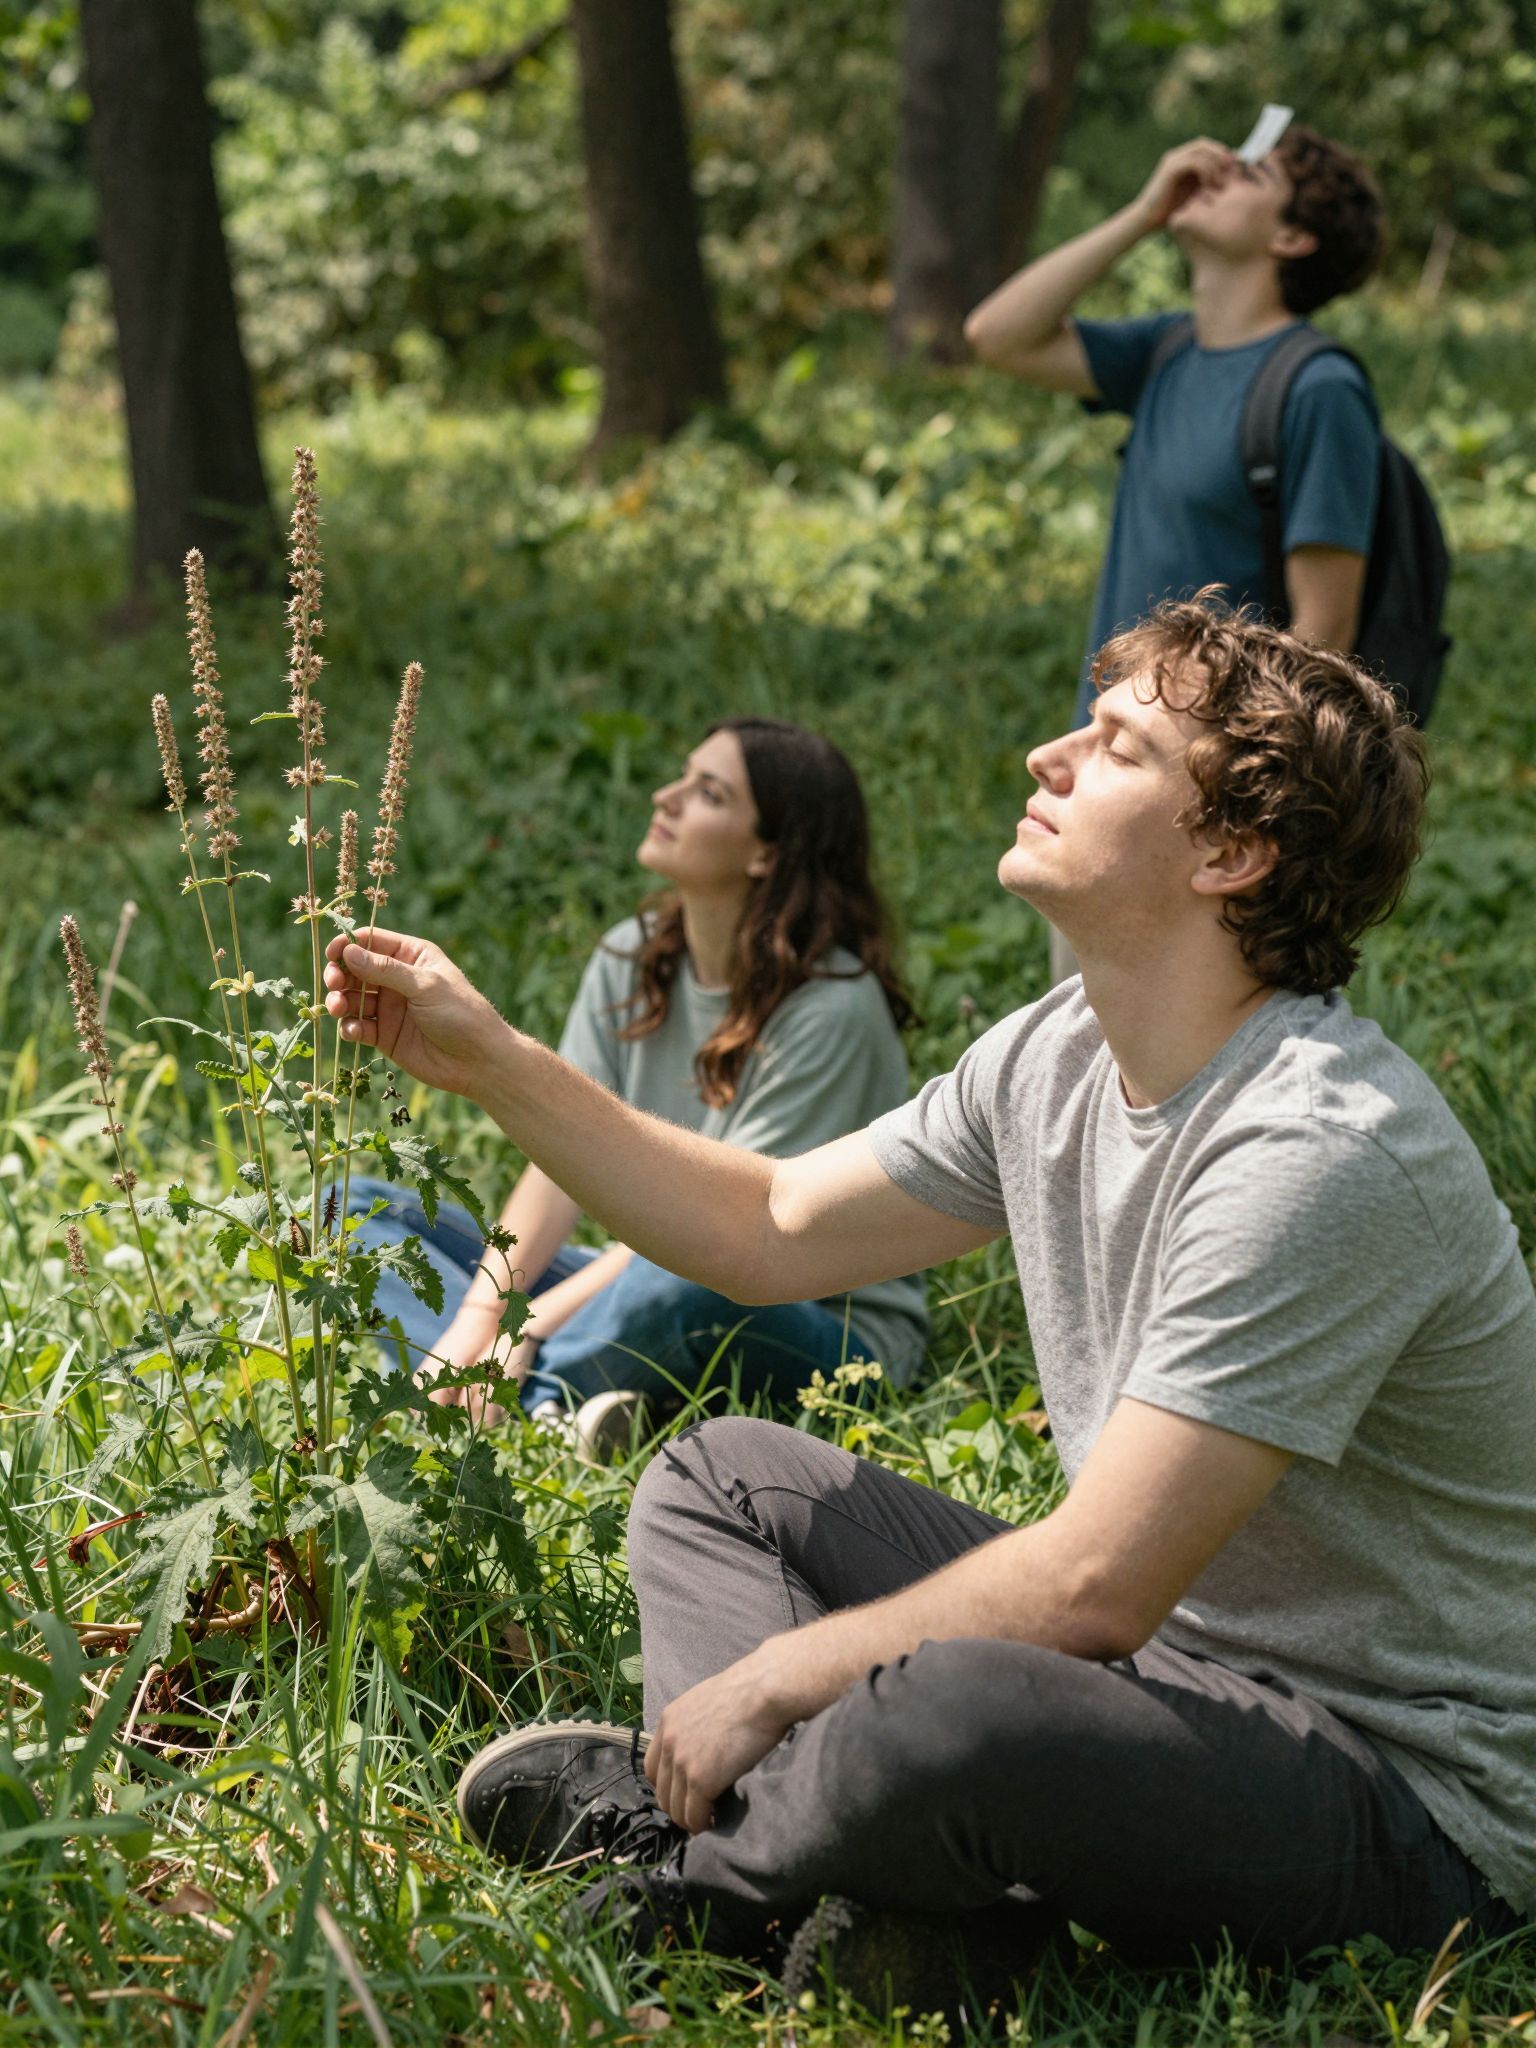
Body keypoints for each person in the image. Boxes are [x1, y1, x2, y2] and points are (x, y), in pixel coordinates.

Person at [325, 598, 1536, 2020]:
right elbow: (768, 1224)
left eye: (1116, 746)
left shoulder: (1320, 1149)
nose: (1047, 756)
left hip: (1410, 1793)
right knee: (721, 1479)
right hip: (1173, 1675)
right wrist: (494, 1059)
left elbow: (1093, 1587)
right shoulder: (1059, 1052)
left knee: (965, 1700)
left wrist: (779, 1677)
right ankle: (904, 1903)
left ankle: (685, 1877)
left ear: (1230, 851)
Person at [346, 717, 929, 1458]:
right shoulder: (634, 955)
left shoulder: (833, 1009)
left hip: (811, 1318)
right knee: (352, 1211)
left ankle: (505, 1399)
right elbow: (558, 1160)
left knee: (680, 1286)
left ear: (767, 853)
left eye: (709, 793)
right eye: (683, 776)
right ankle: (565, 1400)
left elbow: (734, 1231)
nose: (666, 796)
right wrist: (480, 1318)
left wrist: (524, 1326)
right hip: (642, 1267)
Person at [966, 126, 1386, 982]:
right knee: (1085, 1018)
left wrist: (1234, 798)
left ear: (1291, 237)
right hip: (1109, 754)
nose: (1216, 170)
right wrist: (1141, 214)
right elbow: (996, 335)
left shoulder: (1319, 389)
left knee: (1184, 1019)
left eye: (1252, 172)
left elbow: (1325, 631)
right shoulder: (1167, 351)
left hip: (1199, 787)